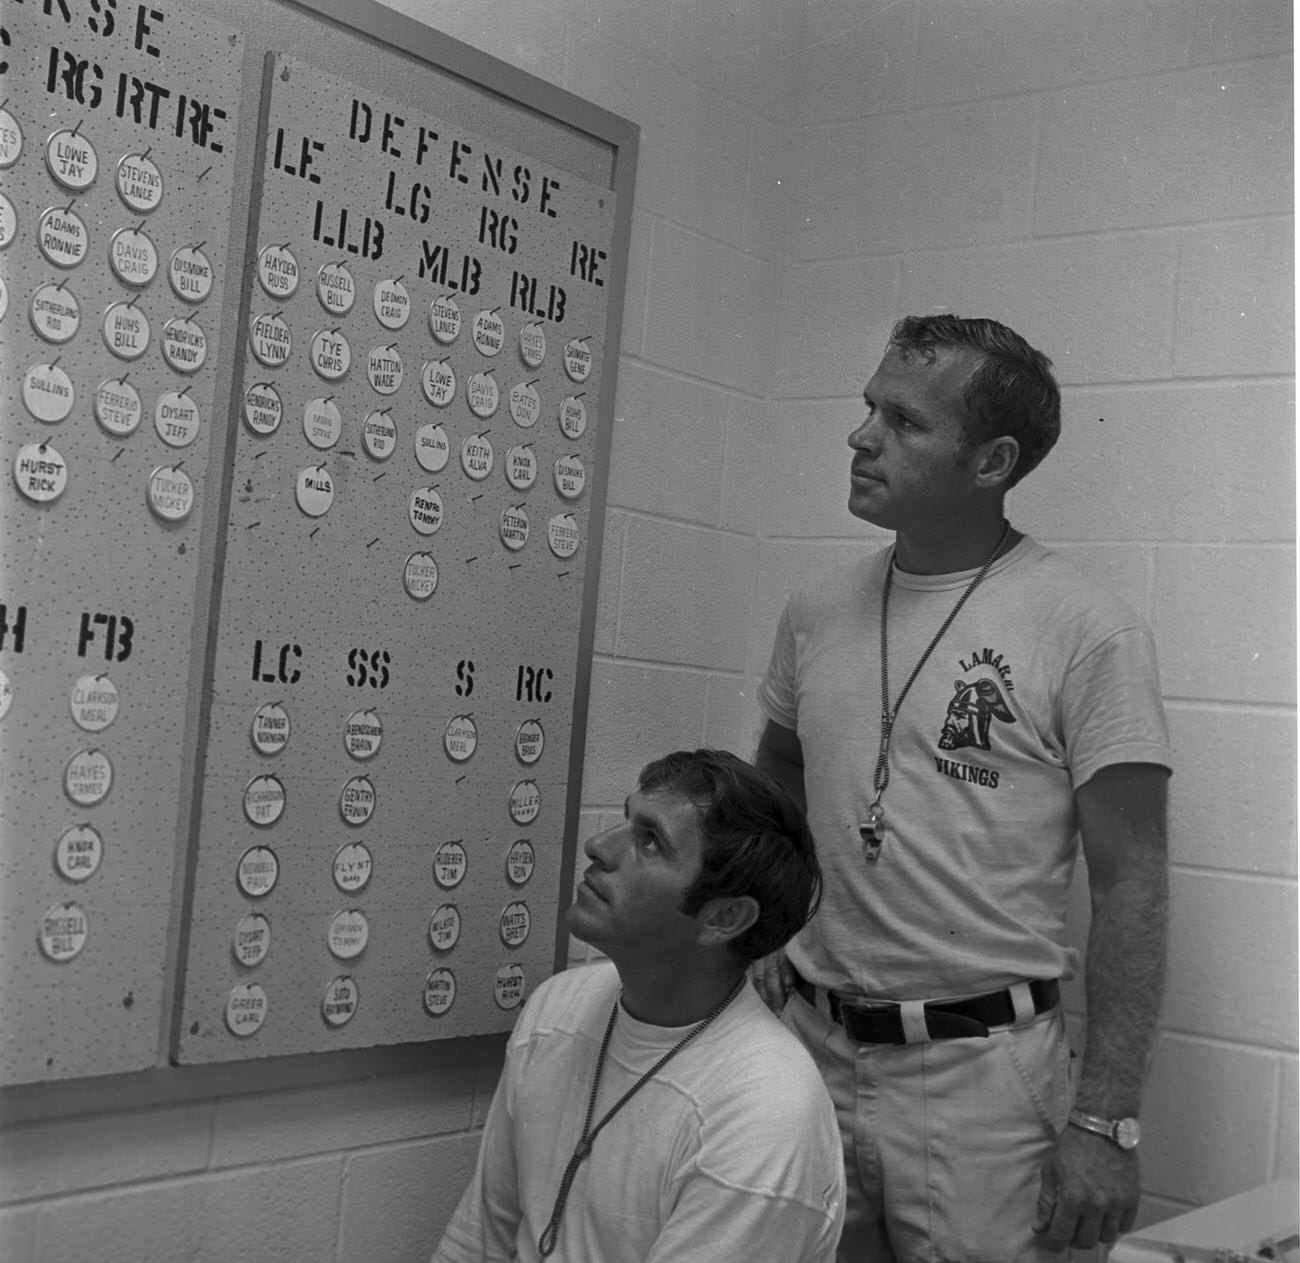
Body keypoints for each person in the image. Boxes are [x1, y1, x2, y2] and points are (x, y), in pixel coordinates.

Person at [753, 314, 1171, 1262]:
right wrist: (770, 927)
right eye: (869, 409)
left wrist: (1106, 1122)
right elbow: (775, 773)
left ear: (992, 462)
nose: (862, 437)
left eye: (903, 421)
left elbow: (1134, 884)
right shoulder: (816, 609)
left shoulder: (1088, 629)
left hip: (981, 1082)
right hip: (811, 1048)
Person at [432, 748, 846, 1263]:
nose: (598, 846)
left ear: (723, 918)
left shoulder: (766, 1110)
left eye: (649, 841)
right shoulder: (556, 1008)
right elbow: (479, 1240)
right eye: (628, 820)